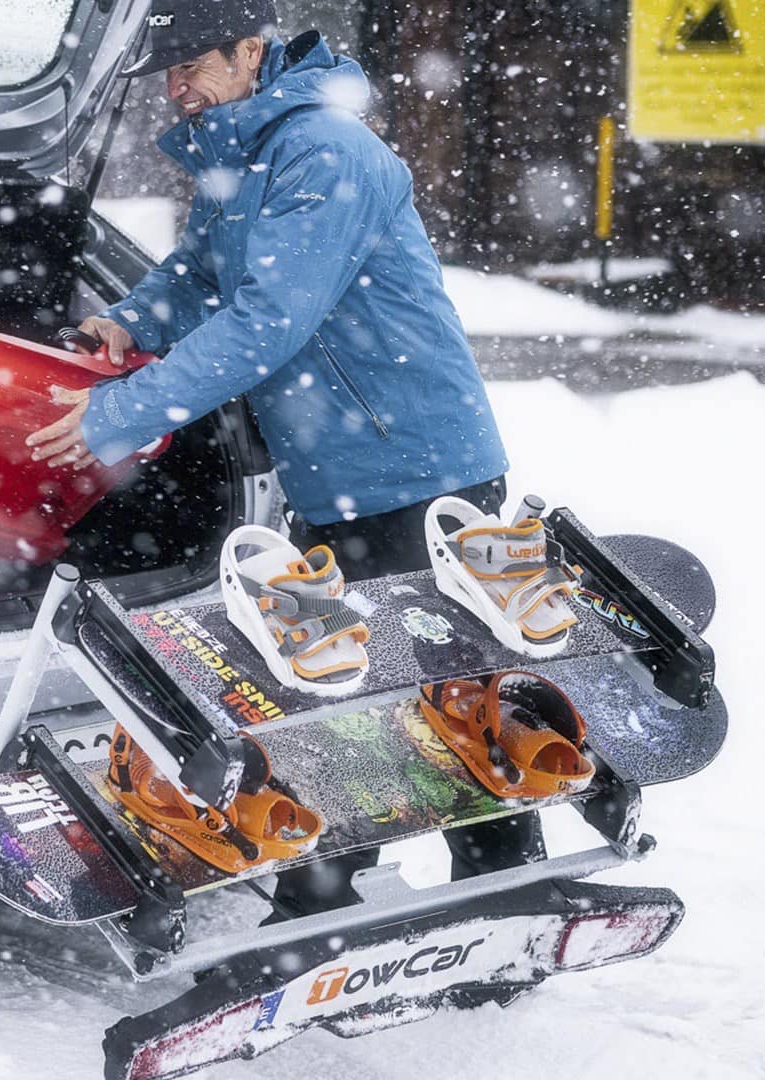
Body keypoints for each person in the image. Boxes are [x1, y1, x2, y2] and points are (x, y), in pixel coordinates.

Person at [28, 0, 543, 918]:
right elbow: (196, 276)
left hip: (421, 472)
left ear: (253, 52)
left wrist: (121, 412)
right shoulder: (242, 152)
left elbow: (270, 322)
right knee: (326, 689)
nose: (177, 89)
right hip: (334, 478)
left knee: (446, 698)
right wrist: (128, 322)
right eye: (169, 73)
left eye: (193, 65)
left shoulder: (323, 152)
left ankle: (497, 893)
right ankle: (323, 897)